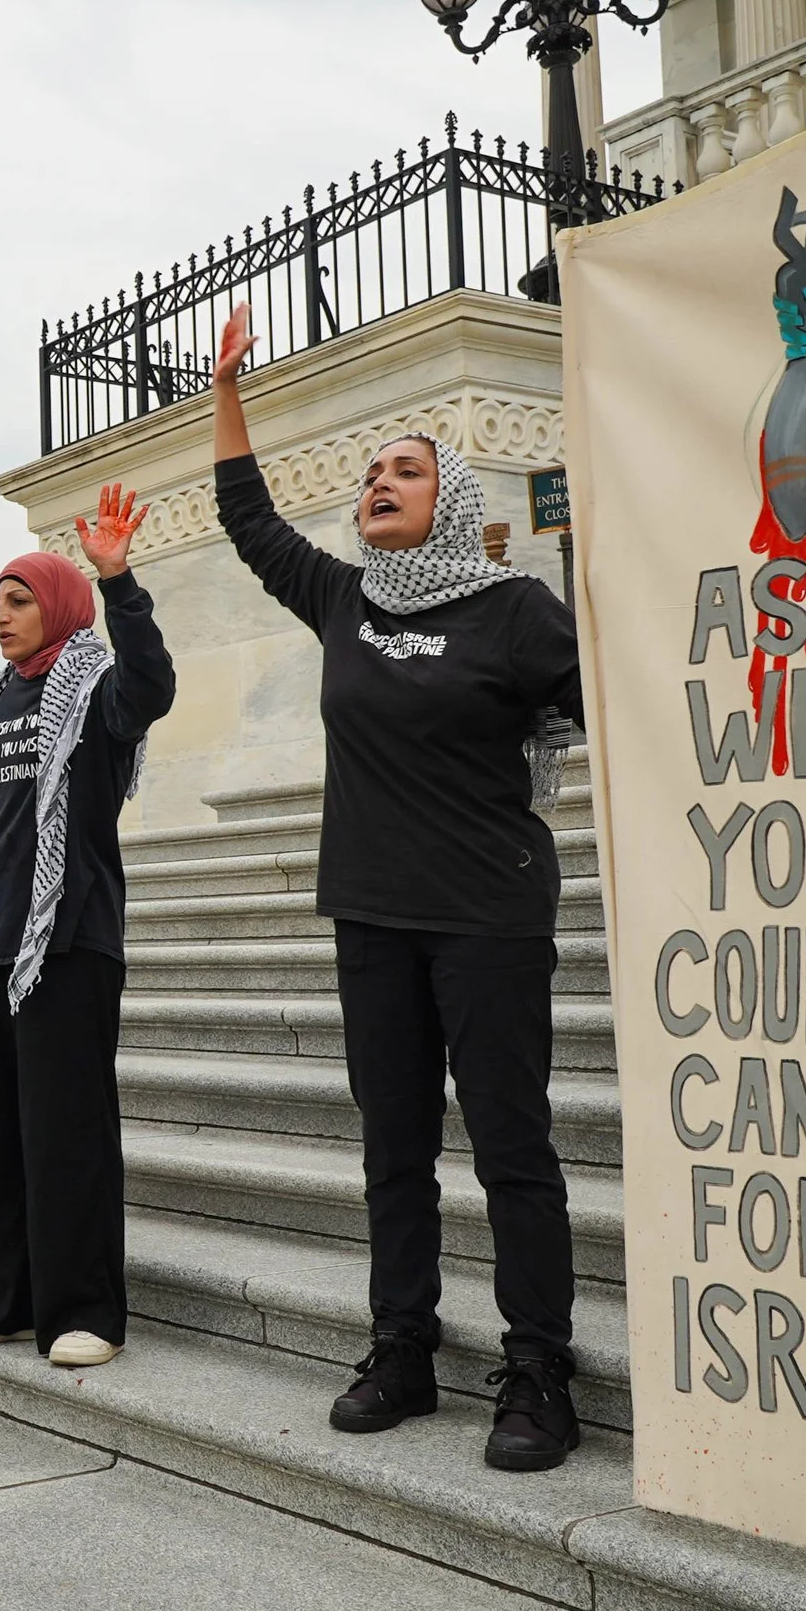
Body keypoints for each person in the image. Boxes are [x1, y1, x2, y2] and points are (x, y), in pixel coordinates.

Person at [206, 301, 583, 1471]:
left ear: (452, 500)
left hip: (489, 915)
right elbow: (247, 517)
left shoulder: (514, 608)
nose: (377, 480)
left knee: (511, 1148)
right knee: (393, 1149)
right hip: (372, 916)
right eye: (369, 470)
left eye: (403, 469)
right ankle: (403, 1348)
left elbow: (609, 700)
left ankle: (535, 1372)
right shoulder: (343, 601)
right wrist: (226, 388)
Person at [0, 484, 177, 1370]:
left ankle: (85, 1310)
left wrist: (119, 582)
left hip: (68, 941)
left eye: (17, 599)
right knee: (1, 1137)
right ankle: (1, 1299)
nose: (0, 616)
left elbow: (155, 688)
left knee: (68, 1135)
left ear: (56, 603)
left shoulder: (95, 691)